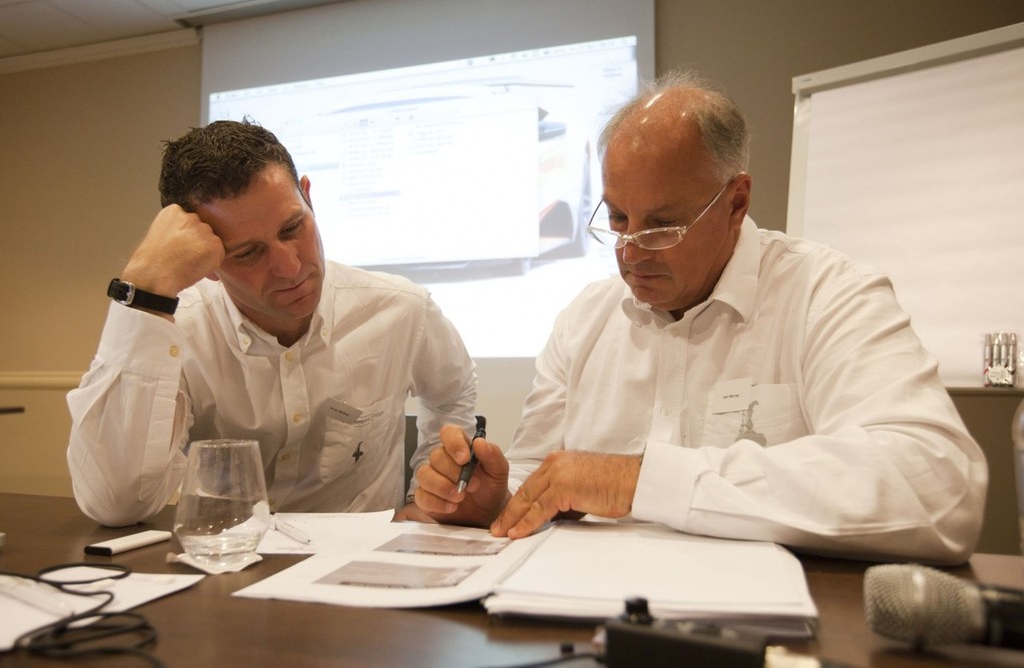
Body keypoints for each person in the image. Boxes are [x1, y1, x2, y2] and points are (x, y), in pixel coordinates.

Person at [414, 70, 988, 565]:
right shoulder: (583, 320)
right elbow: (538, 469)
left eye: (662, 225)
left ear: (736, 203)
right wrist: (496, 497)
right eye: (616, 219)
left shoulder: (828, 296)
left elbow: (937, 486)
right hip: (584, 618)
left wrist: (639, 480)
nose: (631, 251)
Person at [67, 119, 477, 527]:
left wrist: (425, 493)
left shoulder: (401, 309)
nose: (289, 267)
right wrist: (142, 288)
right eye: (248, 253)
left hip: (362, 564)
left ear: (310, 200)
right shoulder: (179, 333)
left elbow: (452, 392)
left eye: (292, 228)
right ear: (207, 260)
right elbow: (116, 504)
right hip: (228, 564)